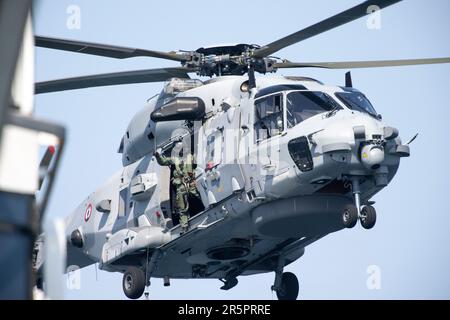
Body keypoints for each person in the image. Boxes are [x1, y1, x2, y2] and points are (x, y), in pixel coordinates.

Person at [154, 142, 201, 232]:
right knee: (182, 207)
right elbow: (163, 161)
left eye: (182, 148)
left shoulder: (190, 157)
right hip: (181, 186)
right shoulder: (174, 159)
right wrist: (157, 155)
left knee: (200, 196)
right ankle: (184, 226)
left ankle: (205, 208)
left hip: (191, 183)